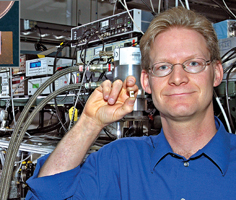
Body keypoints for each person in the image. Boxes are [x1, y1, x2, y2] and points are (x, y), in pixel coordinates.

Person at [25, 7, 236, 200]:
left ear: (217, 73)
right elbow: (45, 196)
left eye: (193, 63)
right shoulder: (118, 161)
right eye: (163, 67)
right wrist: (89, 124)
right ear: (146, 81)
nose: (177, 77)